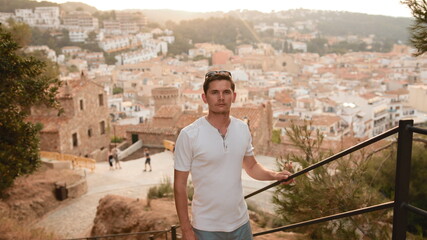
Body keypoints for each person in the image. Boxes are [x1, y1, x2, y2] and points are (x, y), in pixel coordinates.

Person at [174, 70, 293, 240]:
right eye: (215, 92)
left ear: (234, 96)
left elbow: (251, 166)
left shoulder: (242, 128)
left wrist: (275, 175)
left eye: (226, 92)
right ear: (204, 98)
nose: (221, 97)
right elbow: (180, 185)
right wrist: (186, 230)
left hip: (241, 224)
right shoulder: (189, 135)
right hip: (206, 227)